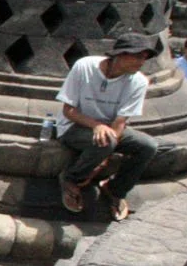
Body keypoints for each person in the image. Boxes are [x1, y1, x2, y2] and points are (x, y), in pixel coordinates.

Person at [55, 32, 161, 220]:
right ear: (120, 55)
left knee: (148, 146)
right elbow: (68, 111)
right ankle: (72, 178)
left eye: (144, 58)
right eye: (137, 57)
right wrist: (96, 126)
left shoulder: (138, 82)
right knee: (106, 141)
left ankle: (115, 189)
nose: (141, 63)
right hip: (74, 125)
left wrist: (104, 156)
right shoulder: (85, 66)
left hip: (110, 130)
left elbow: (120, 122)